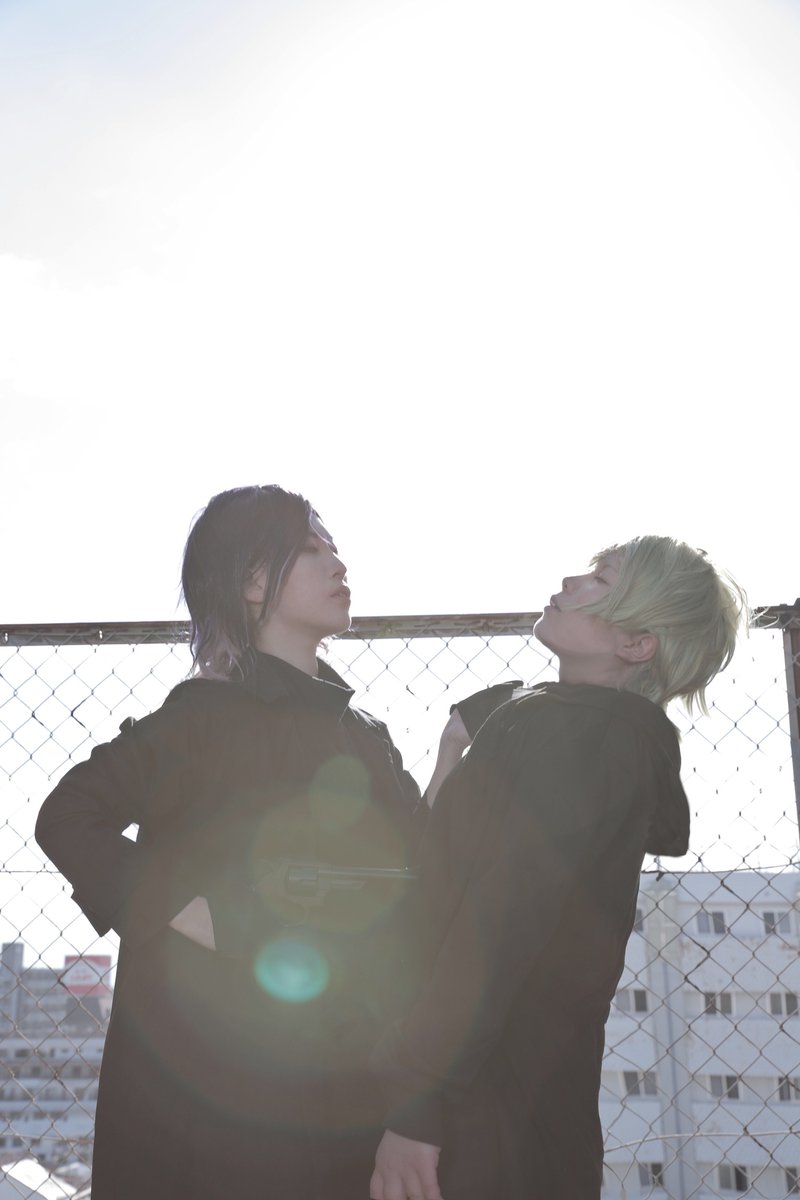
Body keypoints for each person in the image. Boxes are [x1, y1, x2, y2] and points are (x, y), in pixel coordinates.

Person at [35, 484, 424, 1200]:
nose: (338, 563)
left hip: (347, 1083)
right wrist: (191, 911)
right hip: (209, 1095)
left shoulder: (364, 735)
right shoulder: (201, 718)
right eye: (310, 548)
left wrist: (456, 755)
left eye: (334, 547)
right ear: (252, 581)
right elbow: (67, 815)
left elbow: (425, 881)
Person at [369, 535, 746, 1200]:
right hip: (508, 1101)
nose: (573, 580)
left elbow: (497, 925)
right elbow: (451, 880)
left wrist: (417, 1107)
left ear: (636, 643)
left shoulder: (577, 738)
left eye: (601, 580)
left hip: (481, 1113)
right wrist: (457, 745)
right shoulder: (581, 733)